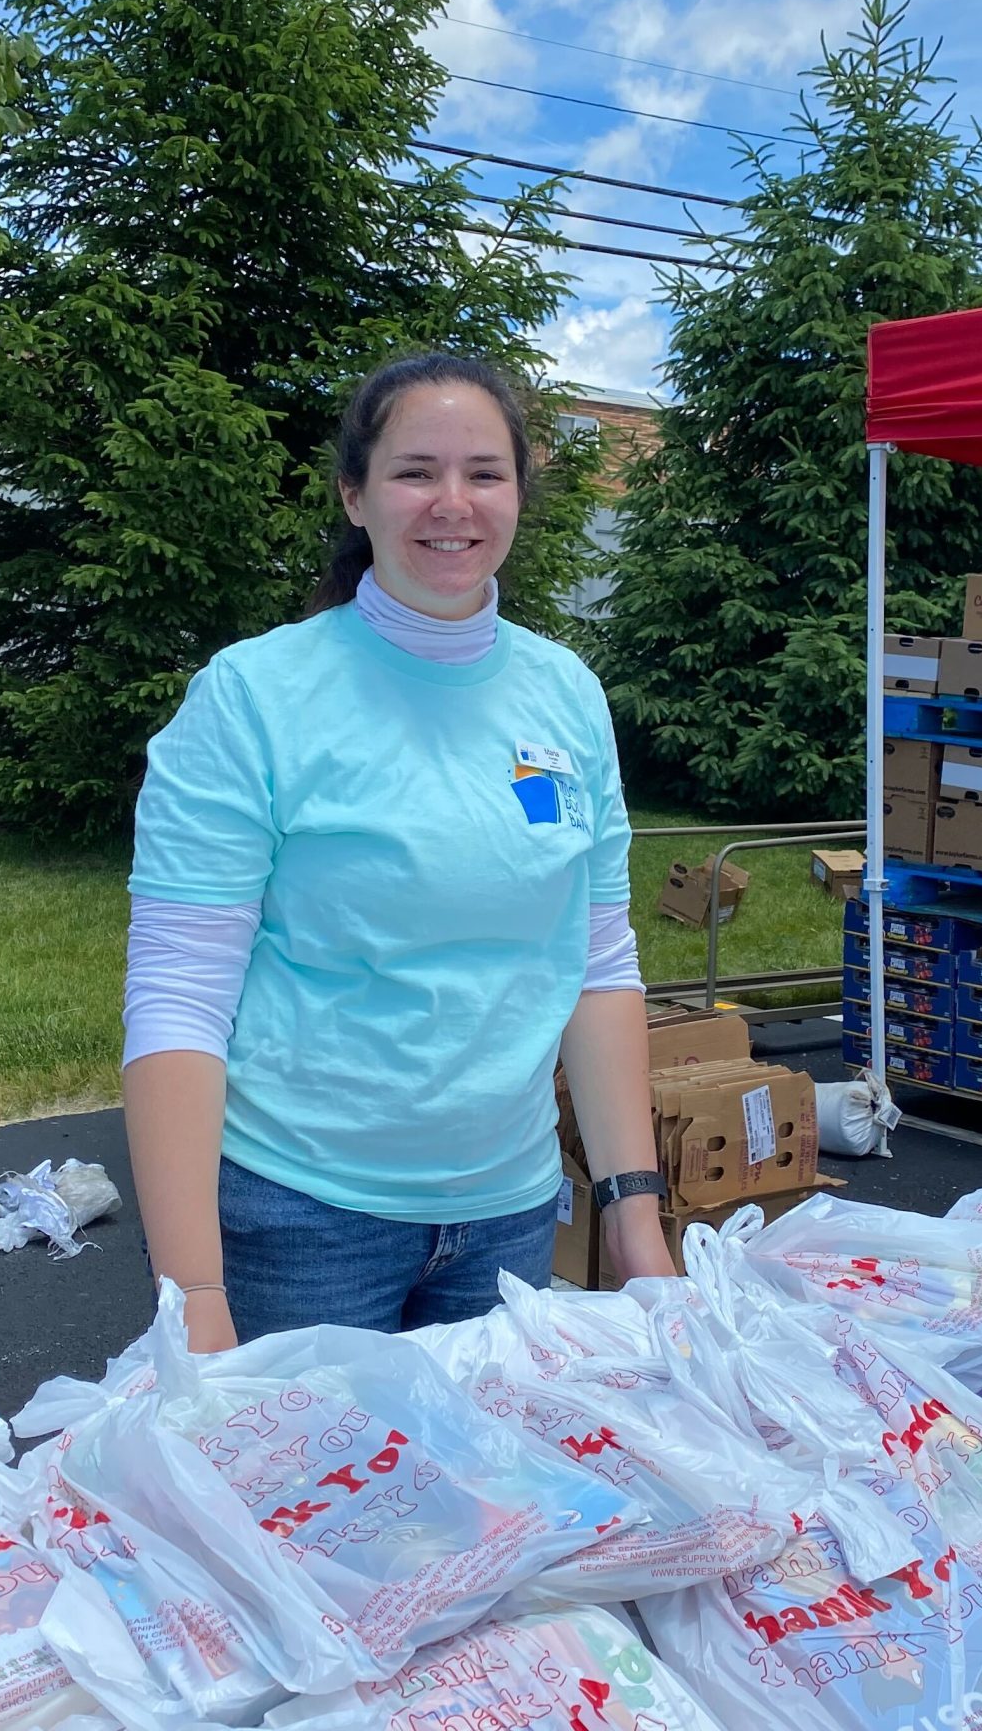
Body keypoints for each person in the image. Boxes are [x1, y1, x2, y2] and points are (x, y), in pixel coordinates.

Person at [118, 353, 672, 1352]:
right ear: (355, 495)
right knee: (302, 1504)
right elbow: (178, 1000)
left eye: (485, 473)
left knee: (479, 1508)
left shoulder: (566, 696)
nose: (451, 503)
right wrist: (195, 1296)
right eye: (415, 470)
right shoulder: (254, 699)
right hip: (300, 1223)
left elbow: (598, 965)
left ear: (517, 495)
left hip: (508, 1212)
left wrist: (635, 1213)